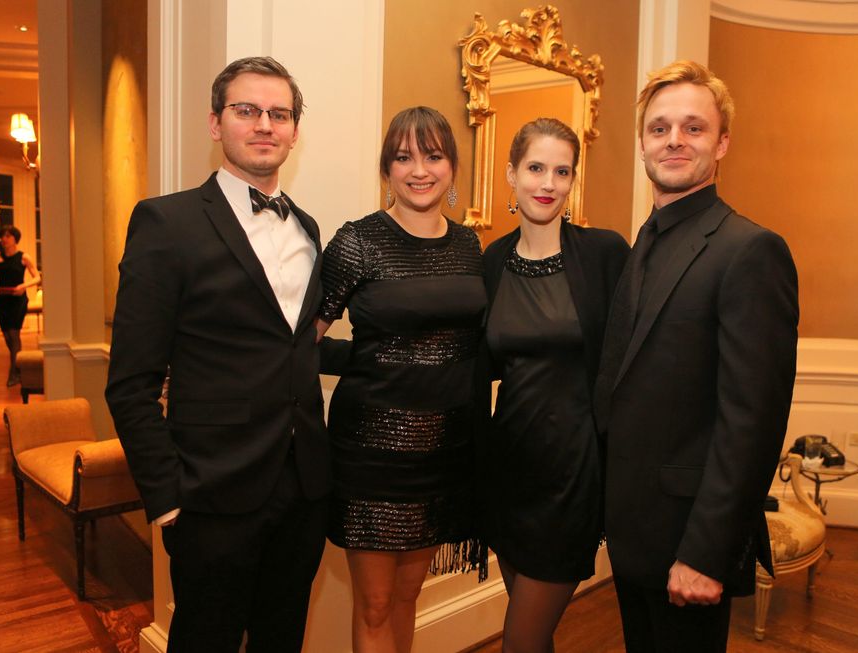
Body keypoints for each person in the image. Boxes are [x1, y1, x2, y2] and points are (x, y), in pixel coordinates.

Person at [106, 56, 342, 652]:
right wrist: (166, 501)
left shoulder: (308, 229)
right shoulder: (167, 222)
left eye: (279, 114)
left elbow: (295, 346)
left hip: (302, 489)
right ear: (216, 123)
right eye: (247, 111)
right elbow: (131, 381)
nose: (264, 124)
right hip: (209, 497)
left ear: (293, 130)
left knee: (280, 639)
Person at [594, 60, 799, 652]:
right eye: (659, 129)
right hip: (633, 532)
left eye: (694, 127)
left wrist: (706, 555)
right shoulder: (643, 240)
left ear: (723, 141)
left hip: (690, 543)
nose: (674, 141)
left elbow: (751, 422)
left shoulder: (750, 250)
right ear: (641, 145)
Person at [316, 106, 486, 653]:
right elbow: (303, 341)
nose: (420, 170)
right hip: (372, 453)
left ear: (453, 168)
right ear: (386, 169)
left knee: (412, 593)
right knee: (375, 603)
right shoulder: (358, 242)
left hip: (444, 451)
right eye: (404, 157)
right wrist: (371, 359)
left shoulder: (469, 246)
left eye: (434, 156)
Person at [481, 118, 628, 652]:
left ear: (572, 181)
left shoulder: (605, 254)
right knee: (532, 638)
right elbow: (479, 364)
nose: (547, 183)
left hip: (573, 474)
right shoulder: (493, 262)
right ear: (511, 175)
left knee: (519, 642)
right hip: (509, 469)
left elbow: (634, 360)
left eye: (561, 171)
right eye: (536, 168)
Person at [0, 225, 41, 387]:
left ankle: (14, 373)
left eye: (7, 236)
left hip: (18, 301)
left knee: (14, 335)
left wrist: (23, 286)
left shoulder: (24, 257)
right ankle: (18, 367)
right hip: (2, 300)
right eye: (2, 236)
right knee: (7, 337)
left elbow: (37, 277)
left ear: (15, 239)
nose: (4, 239)